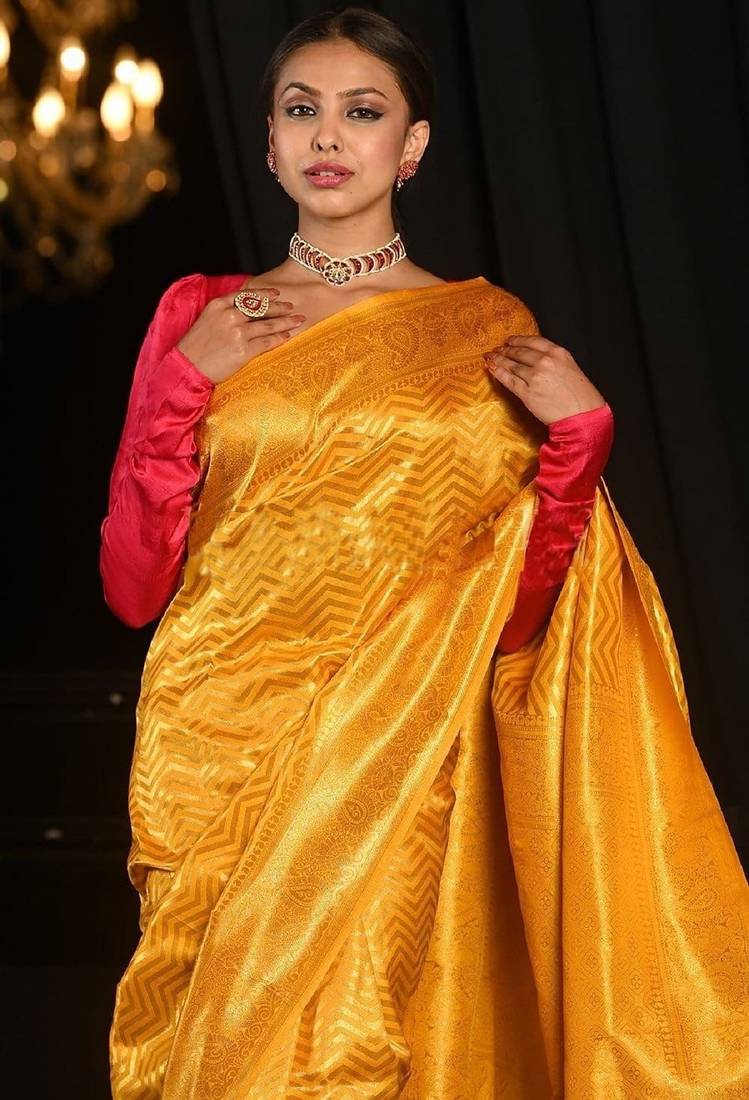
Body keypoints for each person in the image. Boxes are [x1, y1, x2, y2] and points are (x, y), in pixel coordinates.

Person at [103, 8, 749, 1098]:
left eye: (362, 112)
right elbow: (133, 584)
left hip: (402, 746)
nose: (327, 134)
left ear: (410, 147)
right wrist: (184, 380)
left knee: (359, 1053)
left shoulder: (484, 331)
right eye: (300, 109)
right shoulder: (203, 319)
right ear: (269, 143)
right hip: (219, 747)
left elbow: (520, 614)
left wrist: (580, 441)